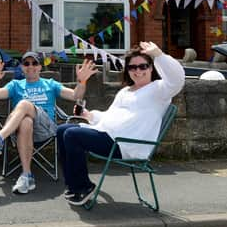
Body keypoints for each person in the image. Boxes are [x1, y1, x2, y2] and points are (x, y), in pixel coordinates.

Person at [57, 41, 185, 206]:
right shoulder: (125, 91)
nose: (138, 71)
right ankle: (74, 183)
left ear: (151, 68)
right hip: (108, 135)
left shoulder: (160, 89)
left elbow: (177, 80)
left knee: (72, 135)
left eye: (143, 66)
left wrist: (158, 55)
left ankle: (83, 187)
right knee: (62, 130)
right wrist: (88, 115)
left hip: (127, 144)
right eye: (132, 67)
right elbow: (109, 117)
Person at [0, 51, 97, 194]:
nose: (31, 66)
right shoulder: (15, 85)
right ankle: (26, 176)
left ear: (40, 67)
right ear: (22, 67)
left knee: (24, 104)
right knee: (26, 121)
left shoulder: (50, 84)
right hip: (19, 131)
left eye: (35, 63)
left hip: (45, 129)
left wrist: (82, 81)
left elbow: (75, 95)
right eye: (26, 63)